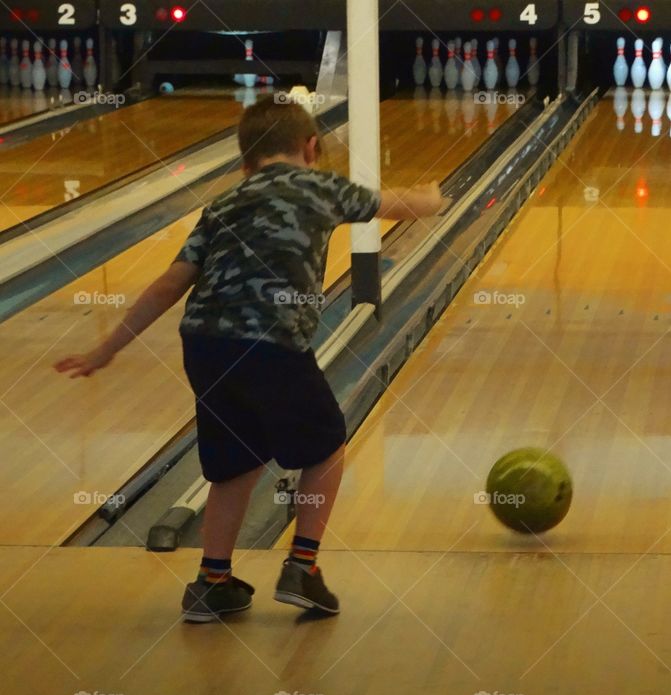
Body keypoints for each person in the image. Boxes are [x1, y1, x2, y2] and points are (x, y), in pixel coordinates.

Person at [56, 97, 444, 622]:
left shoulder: (222, 204)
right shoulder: (320, 187)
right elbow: (405, 205)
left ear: (244, 159)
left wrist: (106, 348)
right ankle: (302, 568)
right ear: (311, 147)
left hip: (205, 345)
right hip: (270, 342)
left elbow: (171, 283)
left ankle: (212, 582)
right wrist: (433, 195)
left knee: (236, 462)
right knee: (327, 445)